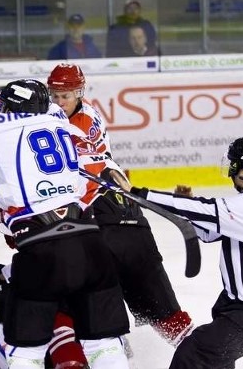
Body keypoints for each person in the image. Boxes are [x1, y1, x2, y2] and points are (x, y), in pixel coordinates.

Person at [0, 77, 131, 368]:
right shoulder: (56, 116)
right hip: (88, 241)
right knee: (104, 343)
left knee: (26, 350)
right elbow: (4, 108)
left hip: (40, 247)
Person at [46, 63, 194, 347]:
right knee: (147, 298)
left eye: (64, 96)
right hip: (122, 209)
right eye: (54, 95)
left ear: (79, 92)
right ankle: (123, 344)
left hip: (102, 212)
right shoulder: (73, 113)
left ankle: (196, 352)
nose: (59, 102)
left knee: (115, 296)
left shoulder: (83, 121)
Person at [109, 134, 243, 368]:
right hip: (235, 307)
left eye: (235, 166)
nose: (231, 172)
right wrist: (186, 207)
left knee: (194, 352)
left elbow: (209, 211)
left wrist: (138, 193)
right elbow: (209, 231)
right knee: (215, 358)